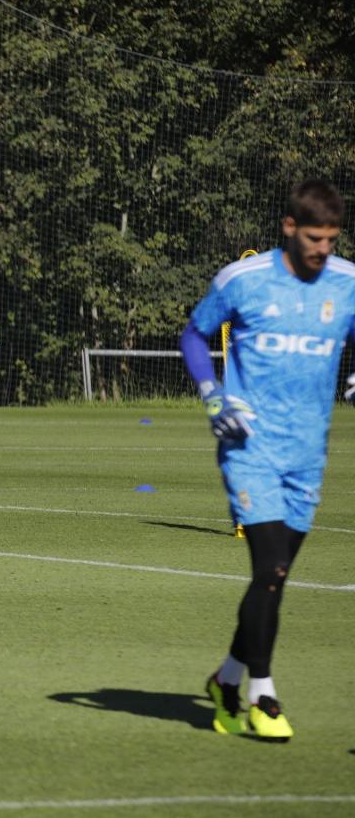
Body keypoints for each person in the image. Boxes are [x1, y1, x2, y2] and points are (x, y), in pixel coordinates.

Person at [180, 179, 353, 742]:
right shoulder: (243, 280)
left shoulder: (348, 284)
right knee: (270, 569)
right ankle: (264, 693)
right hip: (249, 446)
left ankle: (225, 681)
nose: (322, 249)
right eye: (313, 237)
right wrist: (213, 397)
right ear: (289, 227)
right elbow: (193, 334)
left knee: (274, 580)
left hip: (308, 454)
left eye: (331, 239)